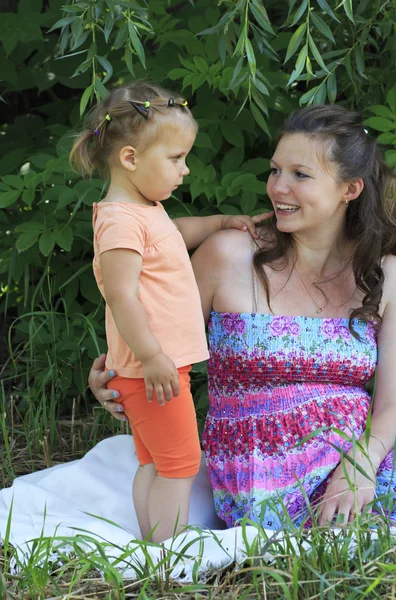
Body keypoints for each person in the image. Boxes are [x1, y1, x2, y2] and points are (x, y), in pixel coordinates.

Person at [89, 104, 396, 531]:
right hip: (257, 465)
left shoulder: (385, 273)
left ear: (350, 189)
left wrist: (360, 465)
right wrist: (117, 375)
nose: (278, 187)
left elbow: (392, 403)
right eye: (274, 171)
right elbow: (151, 331)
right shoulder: (227, 254)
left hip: (363, 459)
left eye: (299, 175)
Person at [70, 81, 271, 543]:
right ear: (130, 159)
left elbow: (175, 231)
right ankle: (170, 555)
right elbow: (122, 296)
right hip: (152, 366)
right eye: (176, 158)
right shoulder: (121, 220)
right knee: (180, 465)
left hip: (151, 366)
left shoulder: (141, 209)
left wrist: (221, 223)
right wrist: (154, 355)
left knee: (155, 462)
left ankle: (151, 545)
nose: (185, 169)